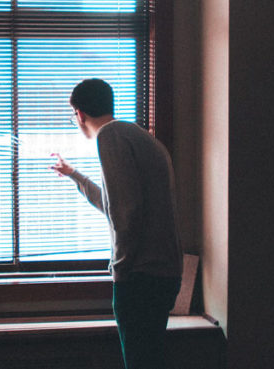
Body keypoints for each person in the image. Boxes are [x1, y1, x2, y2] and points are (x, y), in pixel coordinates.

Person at [50, 78, 182, 369]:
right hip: (162, 274)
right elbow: (117, 207)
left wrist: (119, 272)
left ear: (79, 114)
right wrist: (74, 175)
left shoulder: (109, 137)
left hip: (140, 278)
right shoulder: (136, 135)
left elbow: (127, 215)